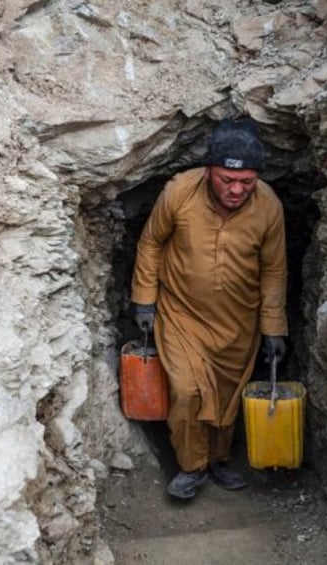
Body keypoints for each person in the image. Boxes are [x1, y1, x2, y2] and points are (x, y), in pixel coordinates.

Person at [130, 117, 288, 499]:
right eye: (226, 180)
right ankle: (192, 466)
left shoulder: (268, 206)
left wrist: (273, 327)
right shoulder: (180, 192)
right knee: (187, 392)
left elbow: (274, 268)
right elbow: (151, 243)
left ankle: (217, 460)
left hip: (239, 320)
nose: (236, 190)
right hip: (181, 314)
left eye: (246, 182)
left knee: (227, 394)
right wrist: (144, 300)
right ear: (208, 171)